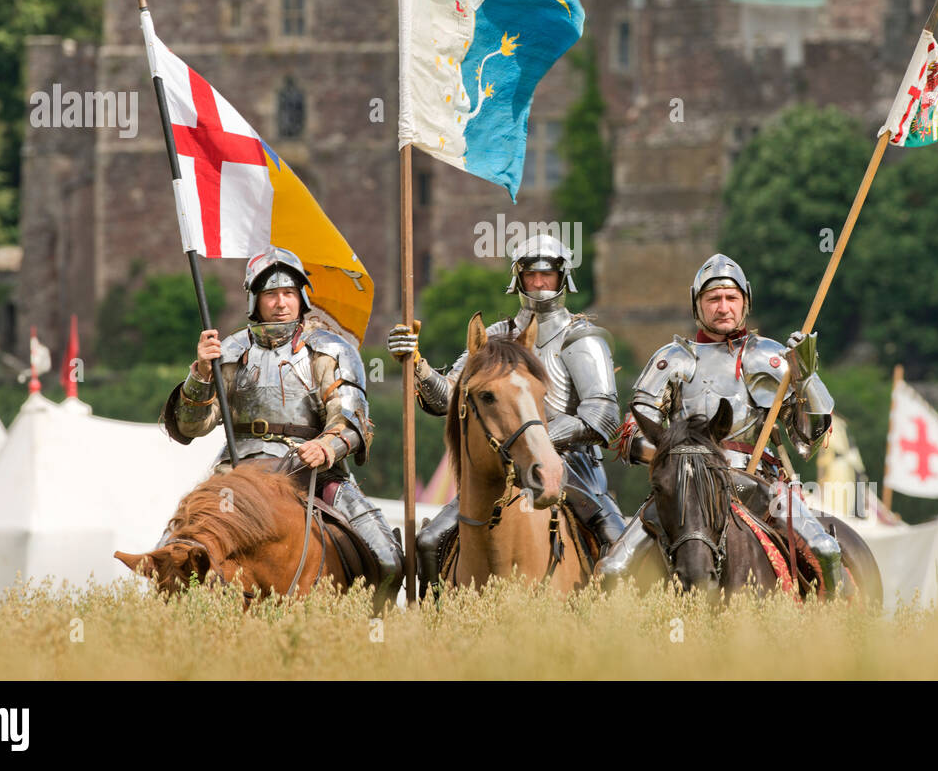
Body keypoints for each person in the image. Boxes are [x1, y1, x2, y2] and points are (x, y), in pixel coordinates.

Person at [387, 234, 625, 592]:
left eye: (549, 275)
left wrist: (539, 437)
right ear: (518, 279)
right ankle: (433, 621)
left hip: (572, 466)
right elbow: (448, 400)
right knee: (429, 540)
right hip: (500, 463)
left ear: (563, 279)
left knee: (620, 550)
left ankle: (618, 632)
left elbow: (603, 415)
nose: (540, 283)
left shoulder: (582, 338)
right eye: (532, 275)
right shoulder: (496, 338)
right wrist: (416, 364)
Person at [161, 247, 402, 598]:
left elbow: (352, 419)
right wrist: (199, 373)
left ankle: (378, 635)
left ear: (301, 296)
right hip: (238, 472)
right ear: (254, 300)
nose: (280, 303)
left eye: (288, 293)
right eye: (270, 294)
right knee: (173, 552)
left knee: (388, 560)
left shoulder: (330, 349)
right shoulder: (227, 351)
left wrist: (325, 446)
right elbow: (190, 426)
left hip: (311, 470)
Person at [597, 253, 844, 593]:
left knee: (825, 550)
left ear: (745, 302)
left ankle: (840, 629)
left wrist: (806, 378)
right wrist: (680, 460)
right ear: (698, 305)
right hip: (685, 489)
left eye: (731, 298)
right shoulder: (672, 359)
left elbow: (808, 440)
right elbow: (631, 437)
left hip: (759, 483)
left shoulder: (770, 357)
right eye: (713, 298)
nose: (723, 306)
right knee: (614, 567)